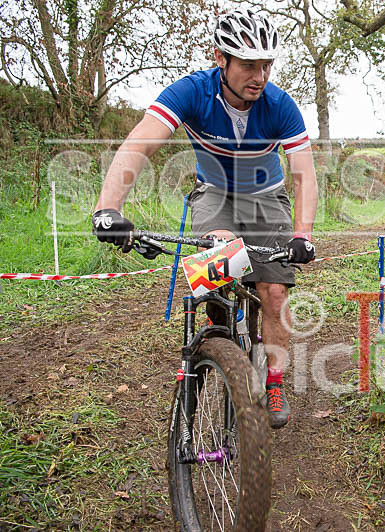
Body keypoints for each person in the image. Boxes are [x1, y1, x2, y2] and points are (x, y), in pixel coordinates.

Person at [91, 8, 318, 428]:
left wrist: (303, 233)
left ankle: (273, 380)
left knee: (273, 293)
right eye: (249, 64)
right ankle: (218, 320)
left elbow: (304, 173)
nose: (260, 75)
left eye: (266, 64)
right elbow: (140, 143)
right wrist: (109, 207)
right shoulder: (191, 92)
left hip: (267, 196)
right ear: (221, 58)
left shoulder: (280, 105)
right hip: (215, 192)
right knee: (215, 254)